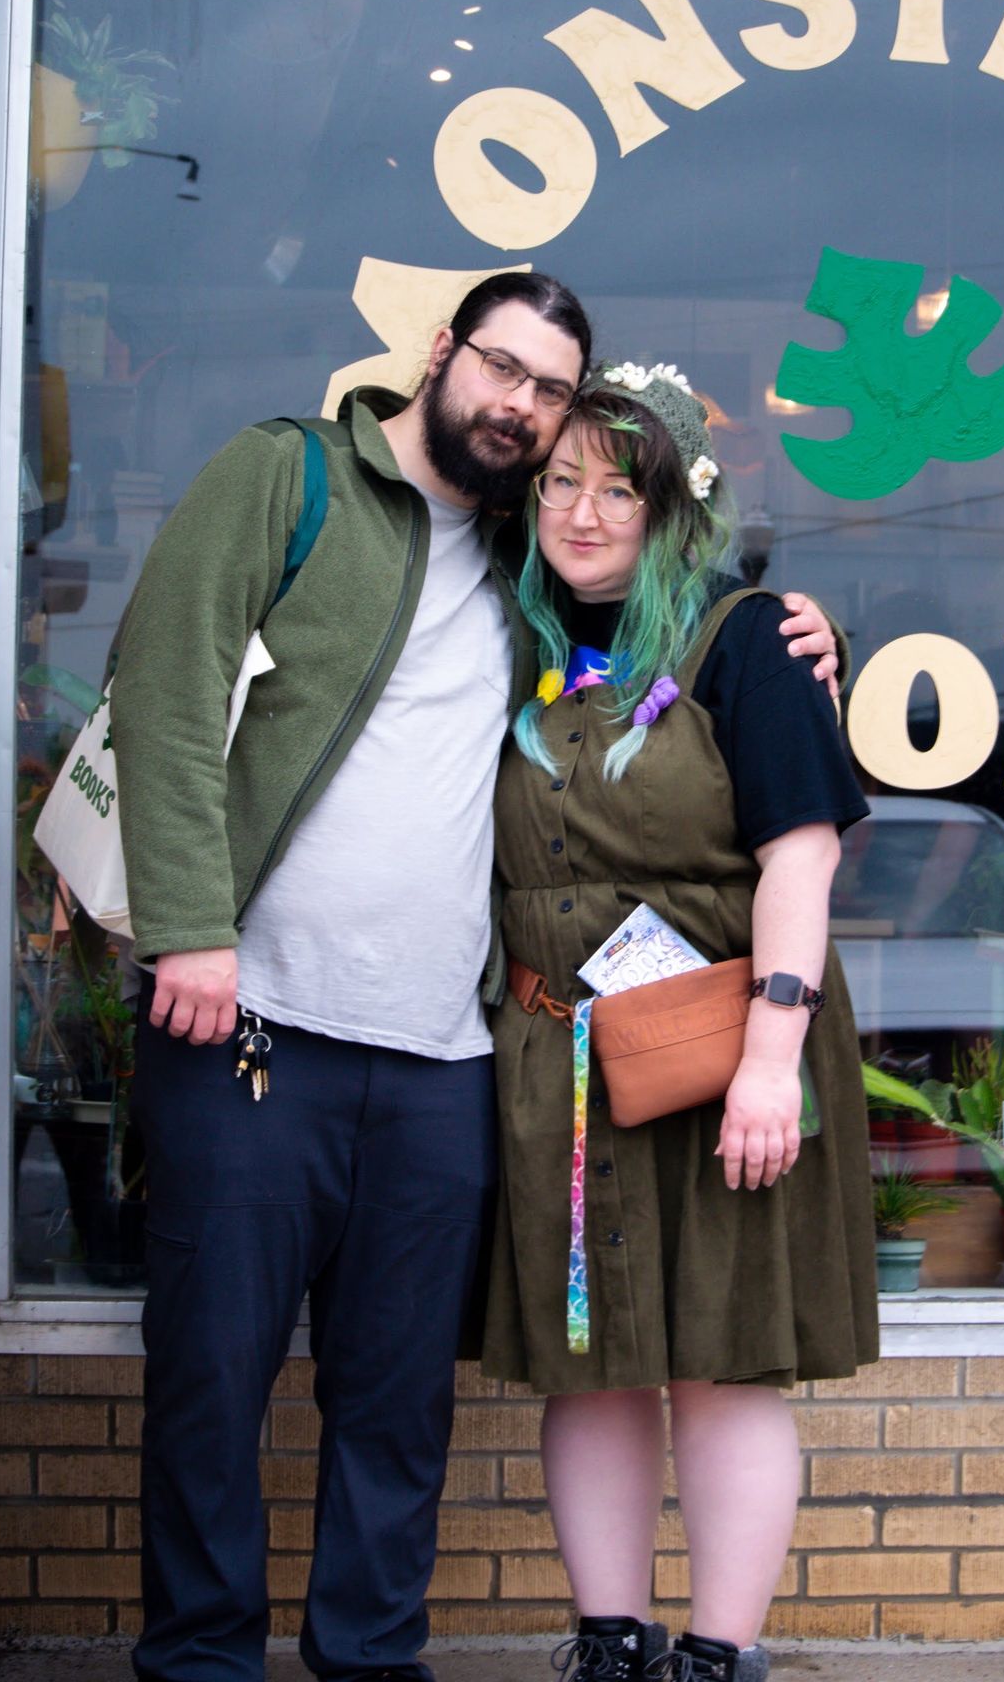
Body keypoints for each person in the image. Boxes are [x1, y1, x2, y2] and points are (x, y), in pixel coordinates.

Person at [107, 273, 839, 1682]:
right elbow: (166, 680)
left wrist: (798, 631)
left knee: (394, 1401)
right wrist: (188, 925)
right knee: (212, 1378)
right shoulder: (294, 478)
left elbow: (681, 634)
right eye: (500, 369)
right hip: (252, 1018)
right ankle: (200, 1660)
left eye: (550, 392)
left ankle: (368, 1656)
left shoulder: (531, 553)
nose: (521, 409)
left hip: (449, 1058)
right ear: (441, 355)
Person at [483, 365, 880, 1682]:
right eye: (559, 484)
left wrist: (772, 1060)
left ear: (673, 508)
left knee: (720, 1360)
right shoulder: (505, 643)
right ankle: (607, 1639)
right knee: (588, 1365)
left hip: (721, 1053)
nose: (583, 514)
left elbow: (801, 860)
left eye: (618, 488)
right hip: (566, 1061)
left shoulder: (744, 638)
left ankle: (720, 1653)